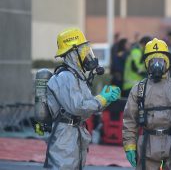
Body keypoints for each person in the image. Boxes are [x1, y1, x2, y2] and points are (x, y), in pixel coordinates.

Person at [44, 28, 121, 169]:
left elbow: (87, 107)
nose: (87, 54)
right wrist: (101, 99)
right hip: (65, 136)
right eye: (83, 50)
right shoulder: (65, 77)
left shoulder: (76, 77)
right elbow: (77, 107)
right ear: (73, 53)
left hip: (75, 133)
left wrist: (105, 99)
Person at [123, 38, 171, 170]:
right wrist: (130, 146)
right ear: (146, 63)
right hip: (148, 143)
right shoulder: (139, 89)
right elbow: (130, 120)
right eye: (152, 61)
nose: (156, 65)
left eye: (160, 60)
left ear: (167, 62)